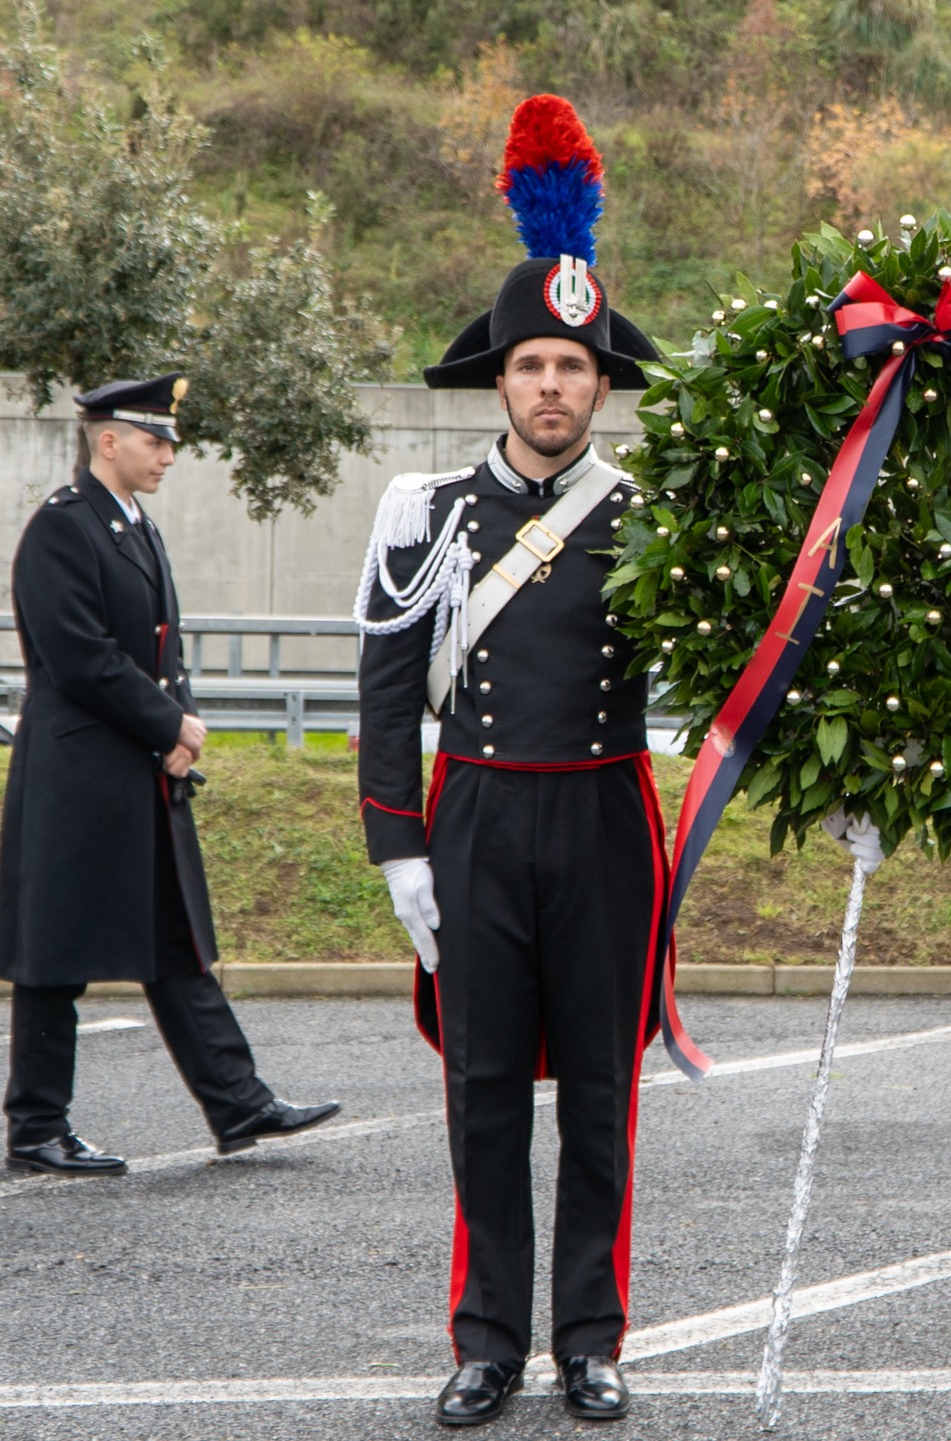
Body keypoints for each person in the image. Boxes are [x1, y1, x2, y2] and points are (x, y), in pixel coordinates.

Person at [352, 95, 678, 1428]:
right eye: (534, 364)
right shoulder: (424, 512)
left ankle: (590, 1337)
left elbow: (726, 675)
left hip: (606, 817)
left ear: (603, 384)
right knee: (482, 1091)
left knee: (599, 1092)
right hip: (476, 819)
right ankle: (486, 1337)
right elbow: (382, 687)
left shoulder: (652, 519)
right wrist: (397, 848)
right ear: (502, 376)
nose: (553, 387)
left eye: (575, 367)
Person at [0, 373, 339, 1176]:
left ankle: (237, 1100)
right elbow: (79, 657)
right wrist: (168, 721)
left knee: (174, 940)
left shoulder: (131, 524)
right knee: (54, 953)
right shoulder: (62, 528)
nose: (169, 455)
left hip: (136, 768)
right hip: (78, 775)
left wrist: (177, 729)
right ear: (107, 440)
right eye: (156, 440)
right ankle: (36, 1126)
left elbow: (156, 645)